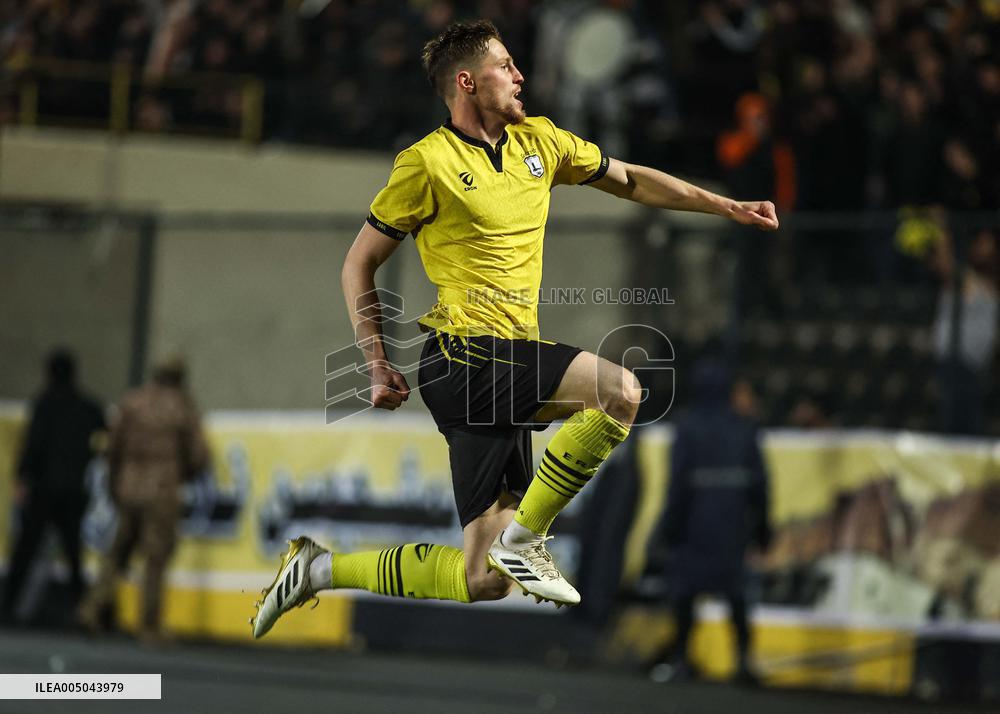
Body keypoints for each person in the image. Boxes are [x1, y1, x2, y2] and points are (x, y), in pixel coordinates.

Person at [252, 20, 777, 638]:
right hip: (464, 357)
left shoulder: (542, 143)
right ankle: (526, 540)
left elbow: (631, 178)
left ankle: (317, 571)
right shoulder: (426, 163)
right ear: (468, 82)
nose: (521, 75)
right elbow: (358, 262)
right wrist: (374, 360)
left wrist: (722, 205)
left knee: (483, 579)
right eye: (505, 65)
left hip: (501, 369)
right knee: (622, 391)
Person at [647, 360, 771, 684]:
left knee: (685, 595)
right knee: (737, 595)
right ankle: (743, 661)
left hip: (694, 526)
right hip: (732, 525)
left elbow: (676, 485)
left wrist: (669, 528)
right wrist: (762, 529)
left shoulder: (687, 427)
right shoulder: (744, 427)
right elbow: (761, 483)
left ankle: (682, 659)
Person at [77, 357, 208, 643]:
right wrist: (183, 473)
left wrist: (115, 486)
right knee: (155, 558)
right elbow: (199, 455)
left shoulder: (131, 402)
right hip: (162, 491)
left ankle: (92, 607)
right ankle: (148, 625)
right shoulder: (182, 408)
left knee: (117, 552)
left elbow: (112, 449)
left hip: (128, 487)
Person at [1, 349, 105, 623]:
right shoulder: (87, 407)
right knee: (73, 556)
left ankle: (9, 606)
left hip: (44, 490)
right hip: (73, 490)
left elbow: (33, 445)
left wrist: (23, 478)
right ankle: (81, 610)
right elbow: (103, 438)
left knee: (25, 551)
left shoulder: (44, 404)